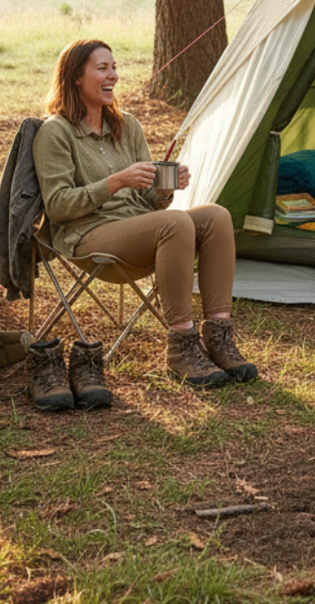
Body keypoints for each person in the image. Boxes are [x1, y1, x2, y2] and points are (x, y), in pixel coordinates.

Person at [29, 38, 257, 411]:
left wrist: (166, 189)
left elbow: (149, 202)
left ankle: (218, 337)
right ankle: (182, 346)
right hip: (88, 236)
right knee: (175, 224)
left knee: (215, 215)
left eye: (114, 67)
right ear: (75, 77)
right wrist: (116, 181)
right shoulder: (56, 132)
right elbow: (57, 206)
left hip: (139, 229)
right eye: (102, 68)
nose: (113, 76)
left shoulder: (127, 126)